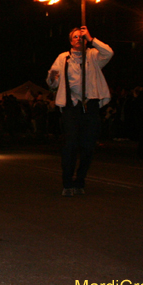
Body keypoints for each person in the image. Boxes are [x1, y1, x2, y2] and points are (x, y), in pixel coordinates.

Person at [47, 26, 113, 196]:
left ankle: (80, 180)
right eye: (75, 37)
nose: (79, 39)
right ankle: (68, 182)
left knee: (88, 146)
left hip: (90, 106)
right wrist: (52, 78)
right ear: (71, 41)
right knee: (70, 145)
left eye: (81, 36)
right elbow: (52, 81)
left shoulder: (93, 55)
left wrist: (91, 39)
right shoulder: (63, 58)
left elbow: (109, 53)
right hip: (71, 107)